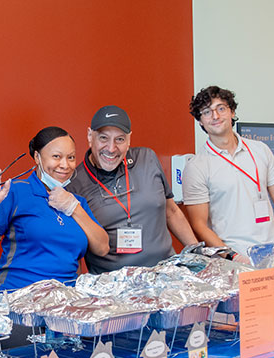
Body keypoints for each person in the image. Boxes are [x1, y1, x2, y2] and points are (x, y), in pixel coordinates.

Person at [182, 86, 274, 262]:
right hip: (233, 261)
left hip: (273, 255)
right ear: (200, 121)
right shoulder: (197, 166)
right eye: (207, 112)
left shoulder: (261, 150)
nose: (215, 116)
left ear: (232, 112)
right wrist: (232, 256)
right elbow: (199, 224)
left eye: (221, 108)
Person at [0, 127, 109, 291]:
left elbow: (102, 248)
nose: (65, 165)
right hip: (16, 298)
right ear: (37, 157)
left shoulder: (77, 201)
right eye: (56, 157)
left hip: (63, 305)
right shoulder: (15, 191)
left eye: (71, 157)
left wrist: (73, 208)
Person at [66, 105, 198, 273]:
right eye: (103, 138)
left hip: (166, 275)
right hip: (114, 286)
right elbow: (74, 247)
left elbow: (171, 212)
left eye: (119, 139)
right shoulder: (74, 184)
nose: (111, 148)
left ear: (129, 140)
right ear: (90, 136)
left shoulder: (147, 158)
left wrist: (196, 254)